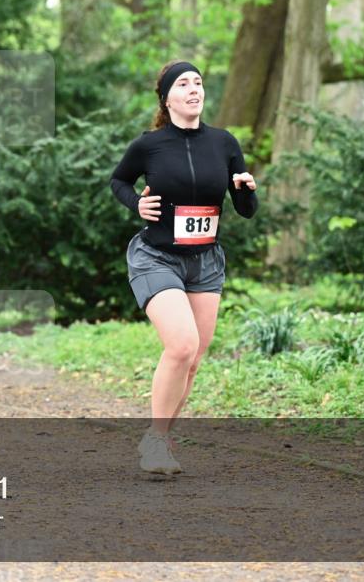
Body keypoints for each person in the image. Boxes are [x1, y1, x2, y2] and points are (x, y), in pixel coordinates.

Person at [110, 60, 258, 475]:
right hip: (157, 256)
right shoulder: (149, 146)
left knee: (193, 359)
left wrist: (246, 191)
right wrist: (135, 202)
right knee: (180, 345)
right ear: (167, 98)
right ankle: (156, 441)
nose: (194, 89)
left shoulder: (224, 143)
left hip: (205, 262)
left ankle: (159, 439)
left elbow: (244, 209)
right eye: (184, 84)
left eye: (198, 82)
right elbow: (119, 181)